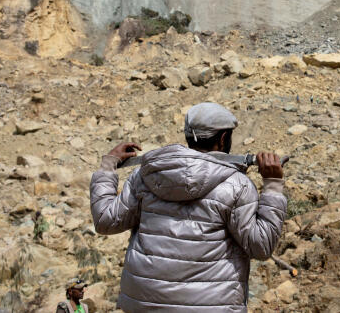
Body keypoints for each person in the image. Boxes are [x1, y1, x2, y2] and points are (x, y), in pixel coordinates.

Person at [90, 102, 287, 312]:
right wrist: (273, 184)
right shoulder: (237, 186)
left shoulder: (145, 176)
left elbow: (105, 221)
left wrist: (108, 166)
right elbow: (262, 246)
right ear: (222, 139)